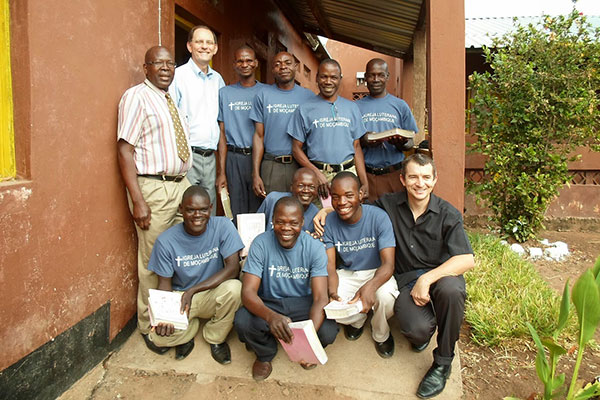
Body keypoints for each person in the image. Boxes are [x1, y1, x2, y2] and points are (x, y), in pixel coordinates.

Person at [374, 153, 474, 399]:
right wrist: (324, 213)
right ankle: (429, 323)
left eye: (426, 177)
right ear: (403, 179)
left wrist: (427, 279)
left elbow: (466, 259)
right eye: (414, 177)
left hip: (442, 278)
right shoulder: (388, 205)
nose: (420, 183)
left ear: (435, 180)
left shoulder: (448, 214)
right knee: (417, 331)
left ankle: (443, 362)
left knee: (452, 291)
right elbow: (355, 211)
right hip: (407, 279)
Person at [117, 46, 192, 349]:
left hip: (180, 185)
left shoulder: (169, 98)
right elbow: (125, 149)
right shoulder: (136, 97)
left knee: (181, 253)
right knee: (153, 260)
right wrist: (138, 199)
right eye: (157, 63)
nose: (165, 68)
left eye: (169, 63)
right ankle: (150, 324)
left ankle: (173, 316)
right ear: (145, 67)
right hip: (154, 188)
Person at [234, 197, 338, 381]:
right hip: (270, 302)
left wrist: (306, 341)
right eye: (280, 222)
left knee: (328, 331)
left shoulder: (314, 247)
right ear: (272, 220)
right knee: (242, 321)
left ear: (302, 222)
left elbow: (321, 297)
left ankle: (298, 345)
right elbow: (248, 292)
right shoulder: (260, 243)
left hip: (302, 303)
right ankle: (265, 353)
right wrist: (271, 316)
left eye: (293, 223)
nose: (286, 228)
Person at [146, 186, 244, 364]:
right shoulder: (166, 241)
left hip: (210, 292)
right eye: (191, 210)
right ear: (181, 209)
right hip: (180, 298)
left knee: (235, 289)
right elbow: (164, 283)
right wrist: (165, 316)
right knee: (158, 339)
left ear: (211, 208)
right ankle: (188, 331)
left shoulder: (223, 226)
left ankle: (215, 338)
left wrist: (193, 290)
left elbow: (232, 269)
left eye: (203, 210)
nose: (197, 215)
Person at [321, 172, 397, 358]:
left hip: (377, 272)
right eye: (336, 197)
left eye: (349, 195)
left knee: (385, 299)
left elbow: (388, 264)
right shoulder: (330, 221)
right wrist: (332, 294)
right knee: (328, 305)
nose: (342, 202)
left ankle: (381, 334)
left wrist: (369, 288)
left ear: (361, 195)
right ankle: (358, 320)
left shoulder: (379, 217)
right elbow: (330, 266)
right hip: (348, 273)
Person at [288, 59, 369, 200]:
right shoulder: (305, 109)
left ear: (340, 79)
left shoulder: (352, 108)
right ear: (317, 78)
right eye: (324, 76)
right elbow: (296, 149)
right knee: (320, 217)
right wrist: (315, 173)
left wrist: (364, 181)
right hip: (320, 175)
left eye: (333, 77)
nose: (328, 81)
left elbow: (356, 147)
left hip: (348, 173)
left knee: (348, 216)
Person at [169, 25, 225, 216]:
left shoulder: (218, 80)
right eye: (199, 42)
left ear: (215, 48)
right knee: (186, 212)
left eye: (209, 42)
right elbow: (170, 119)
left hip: (210, 159)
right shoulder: (178, 77)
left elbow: (220, 123)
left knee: (207, 210)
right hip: (187, 158)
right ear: (189, 46)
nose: (204, 46)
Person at [250, 52, 314, 197]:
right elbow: (259, 136)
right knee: (274, 212)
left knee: (300, 213)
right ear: (272, 70)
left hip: (300, 165)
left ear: (296, 66)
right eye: (277, 64)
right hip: (272, 165)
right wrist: (255, 173)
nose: (283, 67)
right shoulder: (263, 94)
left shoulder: (308, 96)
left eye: (287, 63)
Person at [357, 58, 419, 202]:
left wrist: (400, 143)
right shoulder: (355, 107)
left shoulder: (400, 105)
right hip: (366, 176)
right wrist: (364, 140)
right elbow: (351, 141)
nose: (376, 79)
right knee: (368, 219)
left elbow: (411, 142)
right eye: (372, 75)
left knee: (395, 220)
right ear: (366, 77)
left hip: (394, 174)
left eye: (380, 75)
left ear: (387, 77)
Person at [218, 46, 264, 220]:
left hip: (258, 158)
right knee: (235, 210)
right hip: (234, 158)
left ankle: (256, 247)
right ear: (234, 65)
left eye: (249, 60)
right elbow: (222, 134)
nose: (245, 64)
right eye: (240, 61)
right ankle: (238, 247)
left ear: (256, 63)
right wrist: (221, 172)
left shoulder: (265, 92)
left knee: (258, 209)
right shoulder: (225, 93)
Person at [257, 167, 319, 232]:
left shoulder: (316, 215)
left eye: (311, 187)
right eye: (301, 186)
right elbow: (255, 226)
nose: (306, 190)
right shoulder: (273, 199)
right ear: (291, 187)